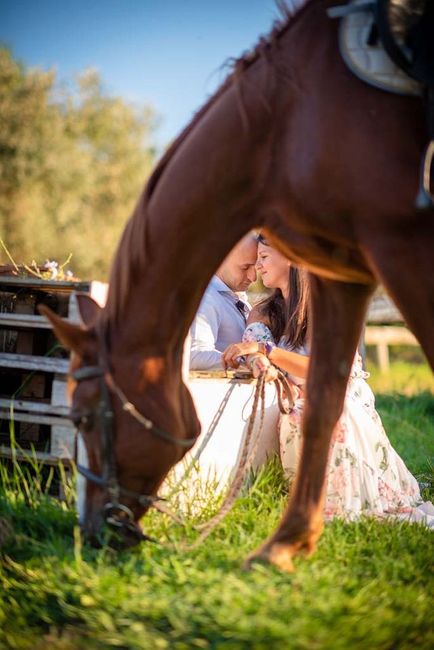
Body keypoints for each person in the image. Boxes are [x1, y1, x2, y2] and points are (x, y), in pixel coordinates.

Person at [223, 234, 434, 526]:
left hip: (342, 396)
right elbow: (254, 345)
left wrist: (266, 352)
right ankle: (318, 501)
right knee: (299, 414)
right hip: (297, 400)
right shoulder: (263, 311)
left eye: (264, 257)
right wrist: (259, 359)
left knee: (333, 409)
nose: (257, 266)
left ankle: (348, 503)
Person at [189, 233, 257, 370]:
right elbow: (194, 356)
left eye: (256, 267)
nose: (253, 277)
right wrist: (251, 364)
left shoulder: (236, 297)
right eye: (245, 268)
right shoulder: (206, 298)